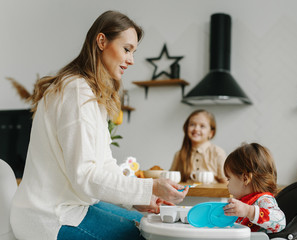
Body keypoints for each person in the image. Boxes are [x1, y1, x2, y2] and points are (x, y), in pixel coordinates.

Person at [10, 10, 189, 240]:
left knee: (145, 226)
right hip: (49, 215)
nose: (131, 60)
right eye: (127, 49)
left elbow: (105, 164)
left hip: (73, 206)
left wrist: (140, 199)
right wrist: (150, 188)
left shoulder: (91, 94)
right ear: (102, 41)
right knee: (142, 235)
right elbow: (85, 176)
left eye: (133, 52)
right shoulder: (76, 90)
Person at [223, 143, 286, 233]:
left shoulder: (264, 200)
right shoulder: (243, 202)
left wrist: (249, 211)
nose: (227, 184)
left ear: (245, 178)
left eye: (229, 179)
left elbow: (280, 222)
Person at [170, 109, 227, 183]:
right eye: (192, 124)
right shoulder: (179, 154)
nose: (196, 129)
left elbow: (225, 184)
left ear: (211, 133)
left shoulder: (218, 153)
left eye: (202, 126)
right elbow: (171, 180)